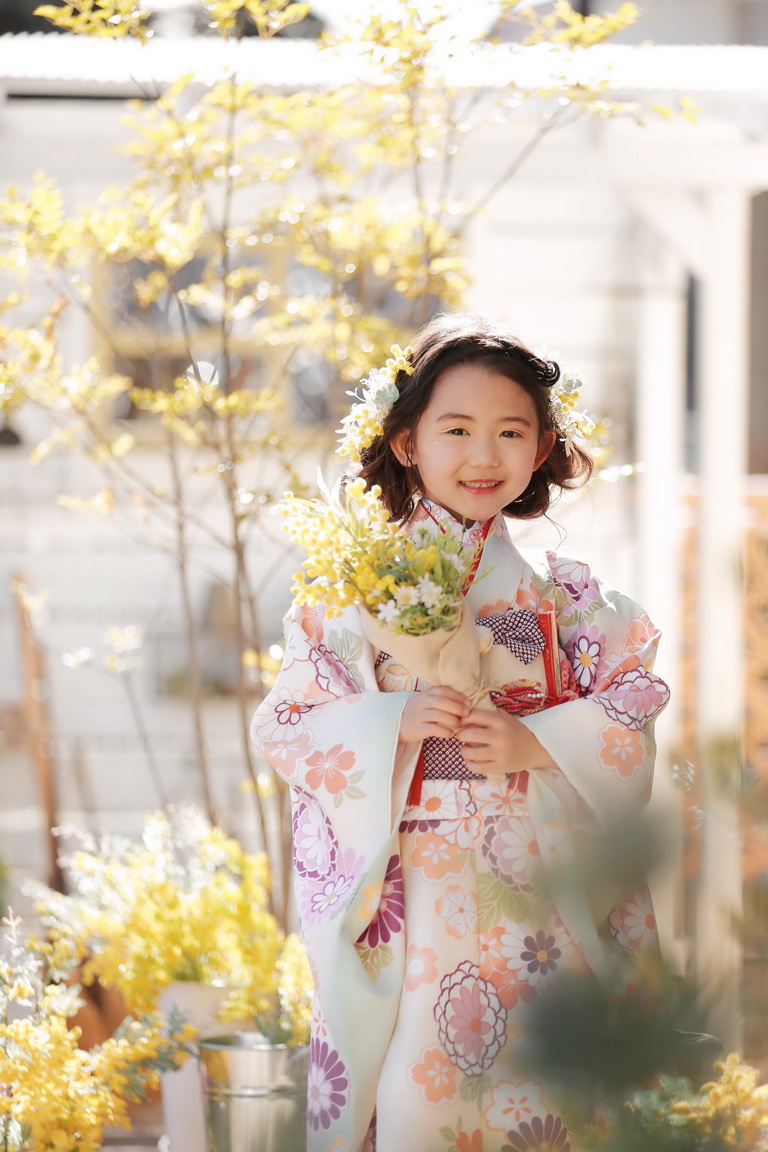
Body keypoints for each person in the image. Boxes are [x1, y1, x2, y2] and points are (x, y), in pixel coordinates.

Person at [251, 313, 669, 1152]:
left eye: (512, 432)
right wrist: (392, 720)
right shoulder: (351, 591)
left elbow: (635, 693)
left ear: (543, 445)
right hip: (415, 888)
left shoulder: (566, 596)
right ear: (407, 443)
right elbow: (289, 723)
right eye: (458, 430)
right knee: (420, 1093)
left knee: (544, 1092)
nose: (485, 456)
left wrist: (538, 742)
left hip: (538, 885)